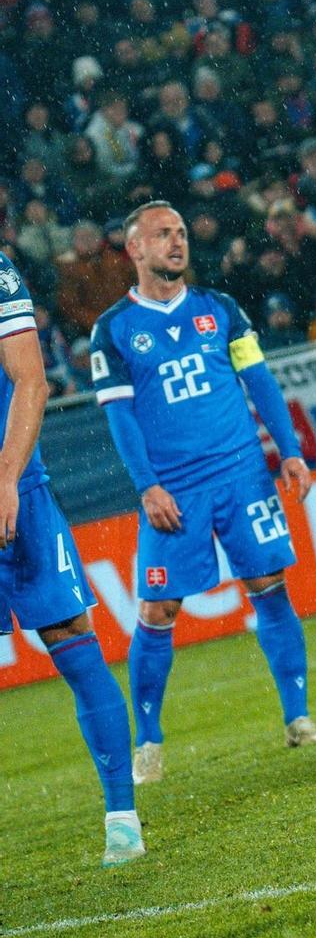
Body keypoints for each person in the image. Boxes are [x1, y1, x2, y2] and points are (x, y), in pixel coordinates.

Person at [90, 201, 316, 784]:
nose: (176, 242)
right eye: (161, 235)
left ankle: (298, 718)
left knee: (269, 587)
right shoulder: (115, 330)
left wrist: (290, 450)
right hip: (175, 491)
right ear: (135, 251)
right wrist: (147, 487)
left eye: (180, 233)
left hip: (243, 474)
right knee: (158, 609)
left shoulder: (220, 310)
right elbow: (121, 421)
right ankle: (148, 742)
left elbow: (259, 380)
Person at [0, 253, 143, 867]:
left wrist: (6, 480)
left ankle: (122, 820)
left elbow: (32, 379)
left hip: (16, 492)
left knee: (71, 638)